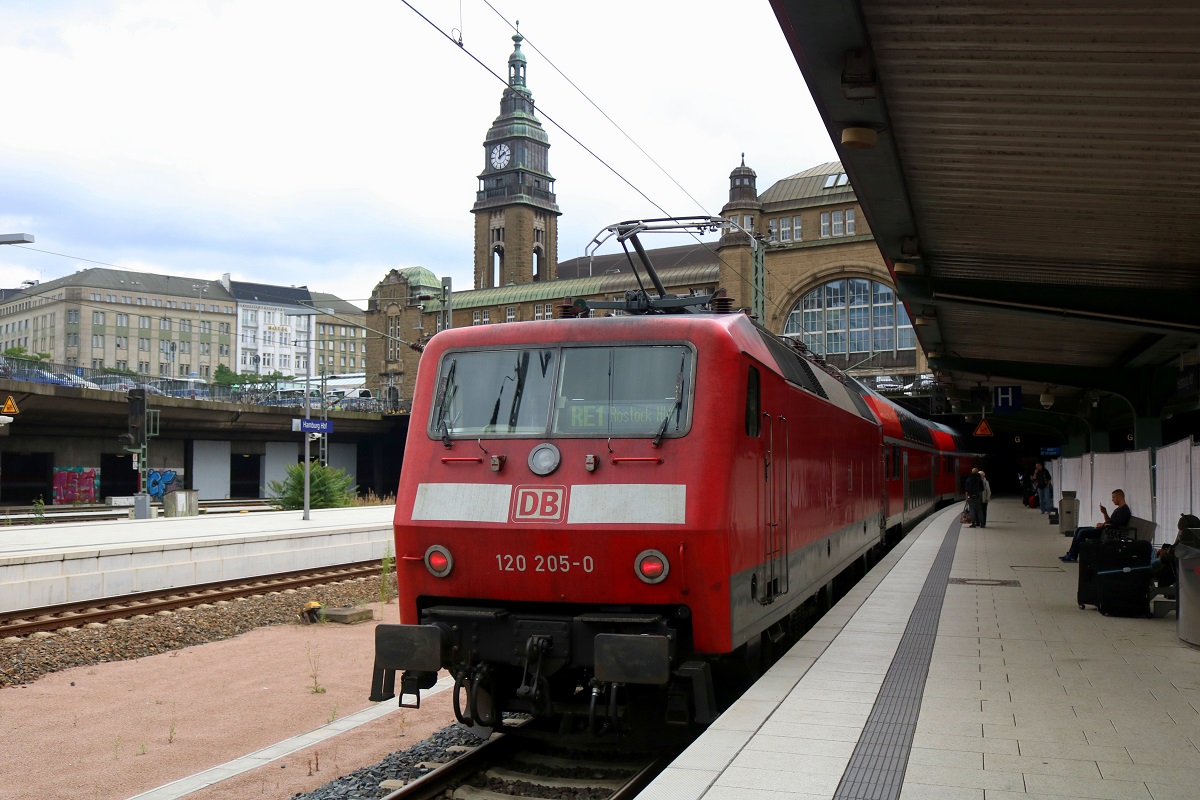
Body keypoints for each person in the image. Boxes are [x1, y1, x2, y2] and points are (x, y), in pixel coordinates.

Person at [1059, 489, 1131, 562]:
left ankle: (1073, 556)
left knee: (1082, 532)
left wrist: (1103, 525)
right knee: (1078, 529)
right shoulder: (1118, 509)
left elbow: (1116, 525)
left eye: (1114, 497)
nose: (1112, 500)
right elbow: (1109, 521)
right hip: (1105, 529)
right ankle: (1071, 553)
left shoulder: (1124, 510)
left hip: (1107, 532)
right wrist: (1104, 513)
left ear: (1119, 497)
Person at [1152, 513, 1200, 587]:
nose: (1179, 520)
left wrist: (1164, 553)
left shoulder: (1187, 540)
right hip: (1175, 565)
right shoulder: (1192, 539)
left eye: (1181, 519)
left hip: (1169, 567)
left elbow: (1169, 557)